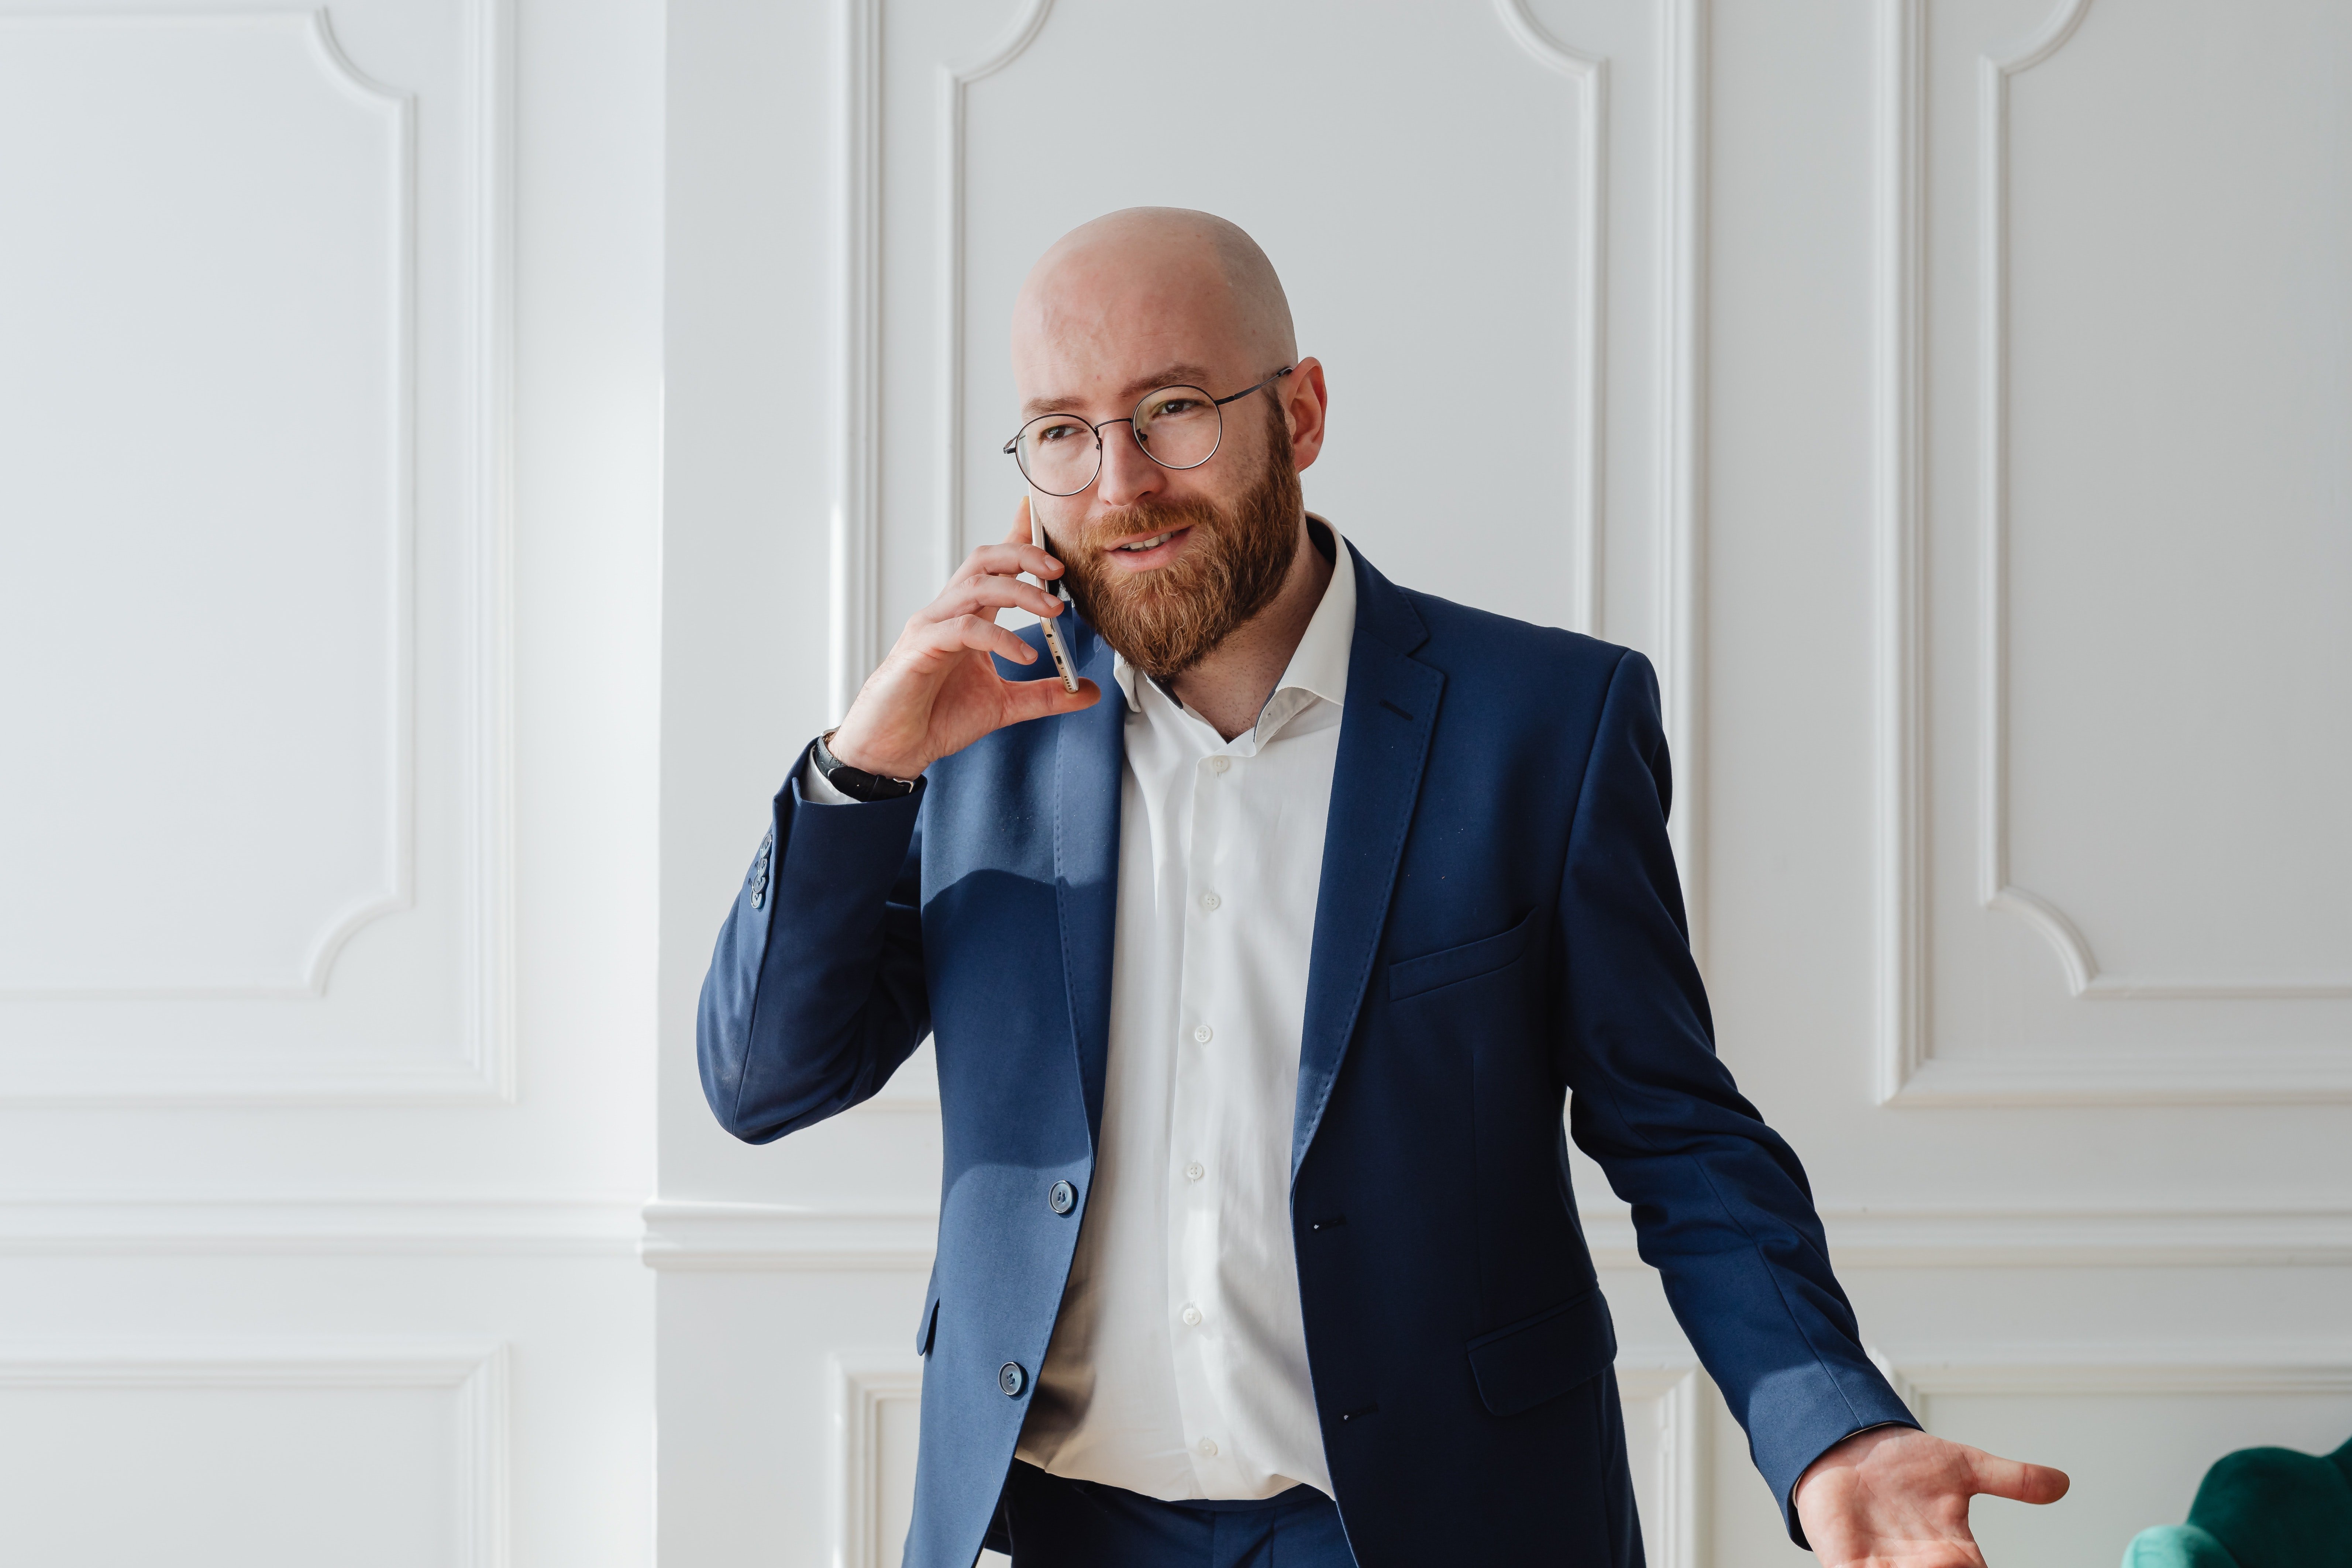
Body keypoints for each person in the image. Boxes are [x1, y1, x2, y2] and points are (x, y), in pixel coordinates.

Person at [697, 208, 2067, 1567]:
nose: (1118, 485)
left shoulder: (1545, 722)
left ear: (1300, 414)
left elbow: (1678, 1133)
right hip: (1067, 1534)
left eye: (1172, 409)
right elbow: (763, 1083)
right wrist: (859, 768)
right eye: (1063, 430)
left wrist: (1833, 1428)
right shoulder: (968, 742)